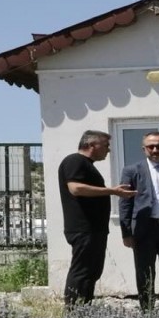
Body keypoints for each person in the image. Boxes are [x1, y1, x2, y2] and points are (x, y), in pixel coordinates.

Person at [57, 129, 135, 308]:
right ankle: (75, 312)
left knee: (92, 272)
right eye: (105, 145)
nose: (108, 150)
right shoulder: (74, 161)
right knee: (82, 271)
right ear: (92, 145)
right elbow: (76, 188)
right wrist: (112, 191)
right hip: (83, 229)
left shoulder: (87, 164)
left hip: (93, 229)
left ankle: (85, 311)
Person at [119, 131, 159, 310]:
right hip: (144, 230)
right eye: (151, 146)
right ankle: (147, 312)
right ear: (144, 149)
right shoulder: (132, 170)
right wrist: (126, 232)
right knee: (144, 272)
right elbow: (125, 202)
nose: (155, 150)